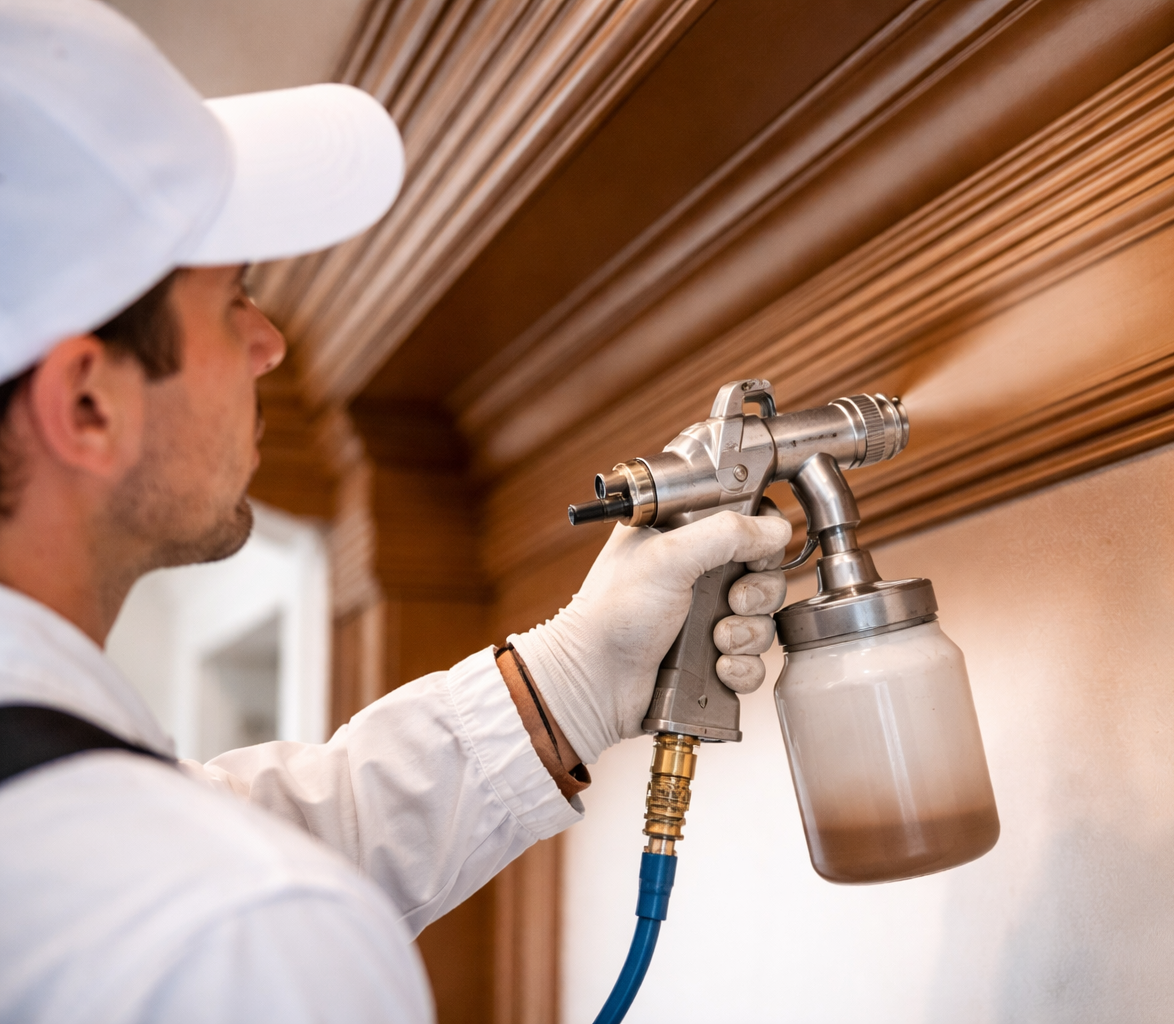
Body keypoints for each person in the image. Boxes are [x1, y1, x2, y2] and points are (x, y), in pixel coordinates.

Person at [0, 1, 793, 1021]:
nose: (269, 345)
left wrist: (570, 680)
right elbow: (227, 902)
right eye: (232, 296)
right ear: (86, 404)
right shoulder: (232, 938)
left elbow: (238, 831)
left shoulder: (163, 893)